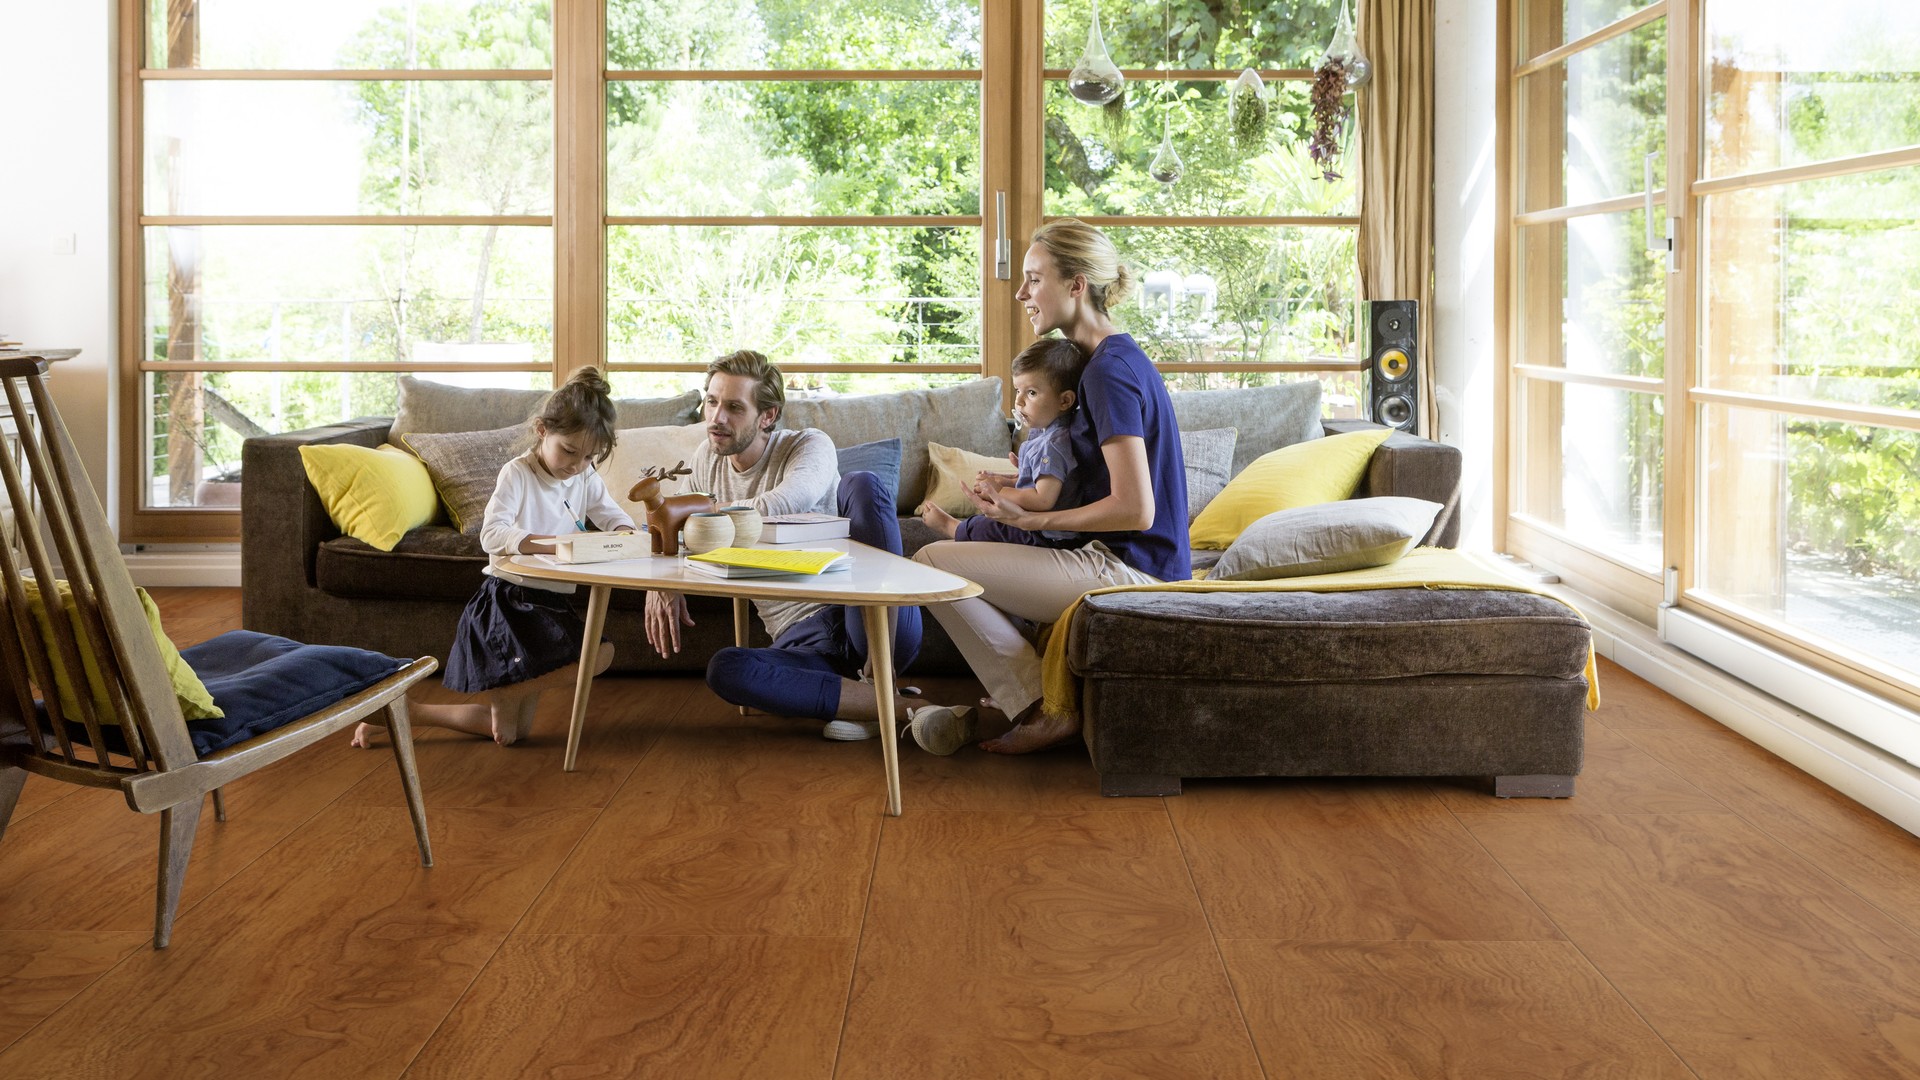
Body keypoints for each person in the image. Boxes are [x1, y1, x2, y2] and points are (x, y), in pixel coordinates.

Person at [912, 218, 1190, 755]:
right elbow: (1091, 479)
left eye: (1034, 279)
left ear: (1076, 285)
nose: (1021, 294)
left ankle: (1043, 704)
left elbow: (1136, 509)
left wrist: (1034, 518)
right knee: (951, 552)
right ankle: (1038, 695)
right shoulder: (1102, 362)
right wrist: (1015, 485)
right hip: (1120, 557)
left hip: (1132, 569)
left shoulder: (1107, 372)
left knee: (932, 561)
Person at [643, 350, 968, 750]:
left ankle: (875, 680)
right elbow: (674, 527)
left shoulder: (809, 445)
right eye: (711, 402)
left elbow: (786, 501)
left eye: (734, 407)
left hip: (864, 613)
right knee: (726, 668)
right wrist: (661, 581)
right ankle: (896, 706)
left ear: (768, 415)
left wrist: (706, 516)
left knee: (863, 483)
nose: (716, 418)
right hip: (802, 641)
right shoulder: (706, 459)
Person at [351, 367, 631, 749]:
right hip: (511, 603)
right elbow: (491, 534)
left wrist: (624, 532)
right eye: (569, 451)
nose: (577, 465)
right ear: (542, 430)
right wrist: (551, 544)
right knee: (587, 663)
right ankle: (505, 688)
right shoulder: (517, 473)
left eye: (588, 457)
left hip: (552, 601)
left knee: (517, 730)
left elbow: (612, 515)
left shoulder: (583, 476)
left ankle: (403, 712)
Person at [918, 337, 1089, 547]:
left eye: (1032, 393)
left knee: (990, 525)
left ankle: (952, 527)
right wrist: (1004, 481)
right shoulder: (1044, 432)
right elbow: (1042, 484)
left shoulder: (1052, 445)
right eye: (1018, 390)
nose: (1019, 401)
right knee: (992, 520)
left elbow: (1043, 499)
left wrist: (999, 492)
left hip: (1047, 536)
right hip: (1041, 528)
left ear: (1064, 400)